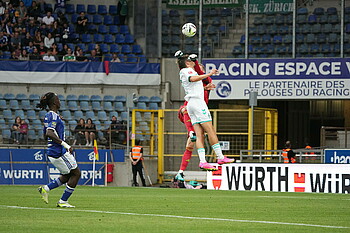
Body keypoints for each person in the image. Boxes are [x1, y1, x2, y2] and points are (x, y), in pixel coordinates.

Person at [177, 54, 234, 171]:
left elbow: (194, 82)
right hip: (198, 103)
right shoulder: (187, 71)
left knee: (199, 135)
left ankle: (203, 161)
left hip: (192, 104)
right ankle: (220, 157)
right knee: (210, 130)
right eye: (190, 61)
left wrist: (205, 87)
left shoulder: (186, 70)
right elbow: (192, 79)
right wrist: (210, 73)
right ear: (187, 63)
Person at [175, 51, 217, 180]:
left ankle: (181, 172)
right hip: (191, 108)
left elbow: (201, 77)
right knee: (186, 111)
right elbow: (187, 74)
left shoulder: (205, 82)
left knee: (191, 145)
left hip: (199, 110)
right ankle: (191, 133)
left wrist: (206, 86)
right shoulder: (192, 79)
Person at [37, 92, 81, 208]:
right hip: (58, 152)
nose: (59, 101)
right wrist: (66, 145)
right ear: (55, 102)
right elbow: (49, 133)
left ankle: (45, 188)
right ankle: (63, 201)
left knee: (67, 175)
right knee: (76, 174)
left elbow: (45, 135)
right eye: (58, 99)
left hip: (53, 151)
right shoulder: (53, 116)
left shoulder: (50, 116)